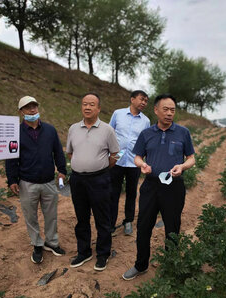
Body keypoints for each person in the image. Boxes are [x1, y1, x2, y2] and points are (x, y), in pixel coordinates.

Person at [122, 94, 196, 280]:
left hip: (174, 186)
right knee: (144, 225)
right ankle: (141, 265)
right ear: (156, 110)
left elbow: (191, 158)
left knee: (172, 227)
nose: (170, 113)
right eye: (166, 109)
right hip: (151, 186)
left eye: (172, 110)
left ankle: (171, 266)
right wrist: (142, 165)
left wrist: (182, 166)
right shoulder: (147, 134)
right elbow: (138, 156)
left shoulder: (183, 132)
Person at [6, 96, 67, 264]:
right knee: (30, 216)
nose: (32, 110)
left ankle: (51, 242)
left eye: (34, 106)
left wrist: (62, 170)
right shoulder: (15, 133)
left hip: (48, 181)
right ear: (21, 112)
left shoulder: (50, 130)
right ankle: (37, 244)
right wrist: (12, 179)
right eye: (28, 108)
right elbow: (11, 158)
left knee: (51, 215)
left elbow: (58, 153)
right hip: (27, 182)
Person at [66, 92, 119, 272]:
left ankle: (103, 254)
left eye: (91, 104)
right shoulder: (73, 128)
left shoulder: (107, 130)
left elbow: (114, 156)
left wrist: (98, 168)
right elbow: (70, 152)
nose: (87, 107)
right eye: (84, 104)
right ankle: (84, 252)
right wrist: (82, 165)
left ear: (98, 108)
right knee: (81, 218)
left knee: (102, 218)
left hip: (99, 179)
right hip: (77, 180)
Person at [109, 90, 150, 236]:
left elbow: (145, 141)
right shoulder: (118, 114)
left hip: (134, 162)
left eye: (146, 101)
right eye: (141, 99)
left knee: (131, 193)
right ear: (132, 99)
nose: (144, 103)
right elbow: (110, 132)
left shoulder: (145, 121)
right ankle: (111, 224)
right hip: (117, 160)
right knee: (113, 193)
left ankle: (128, 221)